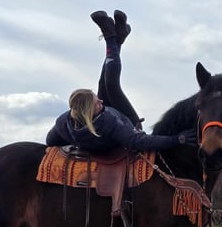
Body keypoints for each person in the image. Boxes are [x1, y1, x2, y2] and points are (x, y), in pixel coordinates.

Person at [46, 9, 197, 152]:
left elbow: (50, 141)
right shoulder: (108, 122)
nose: (101, 101)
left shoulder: (63, 122)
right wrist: (176, 140)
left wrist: (76, 143)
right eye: (97, 102)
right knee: (111, 85)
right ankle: (112, 39)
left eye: (97, 99)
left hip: (102, 119)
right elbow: (137, 142)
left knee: (103, 84)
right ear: (88, 110)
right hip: (128, 123)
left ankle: (115, 39)